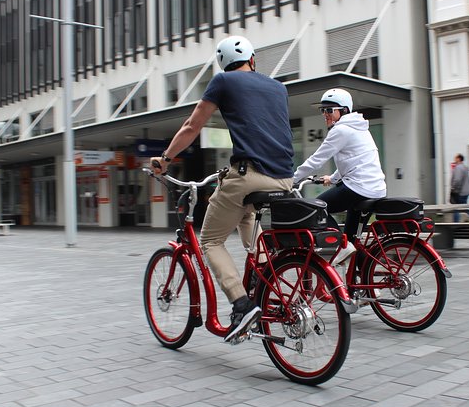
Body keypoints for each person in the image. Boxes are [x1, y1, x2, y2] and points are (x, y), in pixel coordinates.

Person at [150, 35, 294, 342]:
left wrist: (165, 159)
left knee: (211, 241)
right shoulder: (279, 87)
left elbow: (192, 125)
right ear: (253, 60)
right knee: (243, 213)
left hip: (250, 175)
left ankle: (242, 304)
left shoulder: (223, 81)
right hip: (285, 178)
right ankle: (260, 272)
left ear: (224, 64)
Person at [293, 88, 386, 267]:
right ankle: (366, 285)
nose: (325, 114)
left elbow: (316, 160)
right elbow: (354, 162)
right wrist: (334, 178)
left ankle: (342, 245)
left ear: (343, 111)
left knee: (317, 209)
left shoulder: (341, 130)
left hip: (359, 188)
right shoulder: (359, 127)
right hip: (374, 189)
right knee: (352, 243)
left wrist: (292, 179)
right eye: (323, 110)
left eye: (329, 110)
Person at [450, 153, 469, 222]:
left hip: (460, 192)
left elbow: (457, 180)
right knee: (464, 208)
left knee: (456, 208)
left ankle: (455, 224)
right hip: (465, 192)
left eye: (455, 158)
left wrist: (453, 188)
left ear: (459, 159)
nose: (454, 159)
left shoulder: (458, 168)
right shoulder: (465, 167)